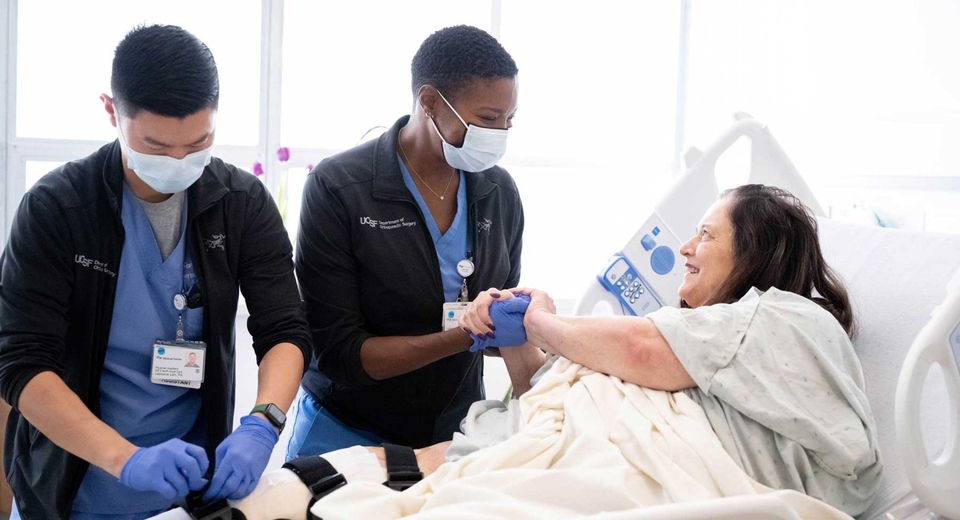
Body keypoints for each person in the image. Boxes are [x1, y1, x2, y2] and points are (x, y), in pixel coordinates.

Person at [0, 25, 312, 519]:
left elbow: (284, 329)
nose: (180, 161)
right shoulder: (59, 208)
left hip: (191, 489)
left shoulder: (240, 205)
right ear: (111, 112)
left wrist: (263, 422)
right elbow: (21, 364)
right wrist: (126, 460)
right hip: (73, 487)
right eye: (157, 145)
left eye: (199, 141)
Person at [458, 184, 882, 516]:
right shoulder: (711, 353)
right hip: (546, 457)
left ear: (752, 253)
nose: (685, 247)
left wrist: (538, 320)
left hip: (669, 481)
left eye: (705, 234)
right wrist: (512, 335)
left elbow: (641, 350)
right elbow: (552, 408)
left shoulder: (785, 316)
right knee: (448, 472)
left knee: (450, 479)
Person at [290, 24, 523, 458]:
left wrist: (531, 326)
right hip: (347, 428)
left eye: (510, 120)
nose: (501, 134)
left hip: (453, 431)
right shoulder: (340, 188)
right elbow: (341, 352)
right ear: (430, 102)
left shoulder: (498, 193)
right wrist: (466, 333)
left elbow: (498, 320)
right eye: (489, 120)